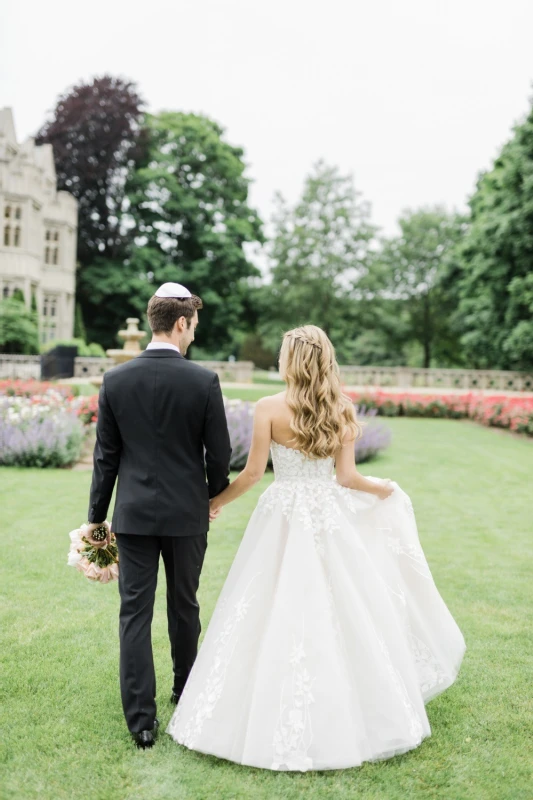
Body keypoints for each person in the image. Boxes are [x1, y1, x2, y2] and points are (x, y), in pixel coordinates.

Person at [167, 325, 466, 771]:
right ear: (326, 359)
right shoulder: (341, 407)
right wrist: (381, 488)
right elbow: (347, 479)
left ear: (290, 360)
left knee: (267, 601)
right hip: (327, 515)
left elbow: (251, 475)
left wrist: (215, 502)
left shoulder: (268, 407)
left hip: (282, 513)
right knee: (340, 606)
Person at [85, 283, 232, 749]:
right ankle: (185, 691)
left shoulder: (115, 380)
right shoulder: (203, 381)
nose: (194, 336)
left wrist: (96, 518)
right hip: (188, 513)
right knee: (184, 605)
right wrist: (213, 498)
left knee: (134, 613)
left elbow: (105, 457)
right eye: (193, 327)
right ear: (181, 323)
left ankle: (141, 721)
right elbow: (220, 455)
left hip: (131, 516)